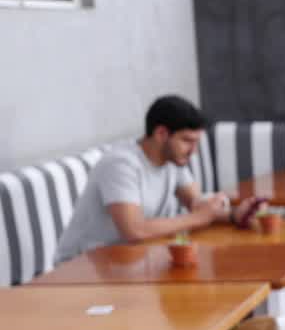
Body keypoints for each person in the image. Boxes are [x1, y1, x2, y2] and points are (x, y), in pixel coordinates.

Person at [55, 95, 253, 263]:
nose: (194, 151)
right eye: (187, 141)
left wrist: (234, 215)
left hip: (128, 263)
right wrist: (199, 217)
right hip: (84, 268)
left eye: (196, 142)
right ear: (161, 134)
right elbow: (134, 230)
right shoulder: (121, 165)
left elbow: (196, 204)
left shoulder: (172, 160)